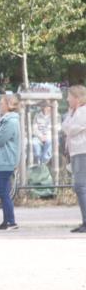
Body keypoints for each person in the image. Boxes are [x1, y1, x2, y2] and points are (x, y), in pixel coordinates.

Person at [0, 94, 21, 231]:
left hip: (6, 159)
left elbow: (1, 138)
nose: (0, 106)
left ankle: (11, 221)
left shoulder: (10, 121)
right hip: (2, 159)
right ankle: (7, 220)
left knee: (2, 191)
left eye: (1, 104)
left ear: (9, 105)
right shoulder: (6, 120)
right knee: (3, 191)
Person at [61, 85, 86, 233]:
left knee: (81, 187)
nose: (67, 99)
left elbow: (69, 129)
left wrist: (67, 123)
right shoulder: (74, 112)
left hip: (82, 151)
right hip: (77, 151)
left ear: (77, 98)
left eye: (69, 96)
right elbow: (66, 127)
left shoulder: (82, 112)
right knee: (80, 187)